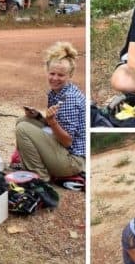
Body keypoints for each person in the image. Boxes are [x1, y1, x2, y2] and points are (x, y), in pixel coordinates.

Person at [14, 41, 85, 182]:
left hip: (72, 161)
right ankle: (38, 166)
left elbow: (67, 142)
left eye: (61, 75)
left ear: (70, 75)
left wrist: (51, 121)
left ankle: (40, 177)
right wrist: (39, 117)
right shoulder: (58, 92)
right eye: (52, 73)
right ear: (47, 71)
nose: (55, 78)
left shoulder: (69, 99)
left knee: (22, 129)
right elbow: (59, 126)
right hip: (66, 152)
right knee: (24, 121)